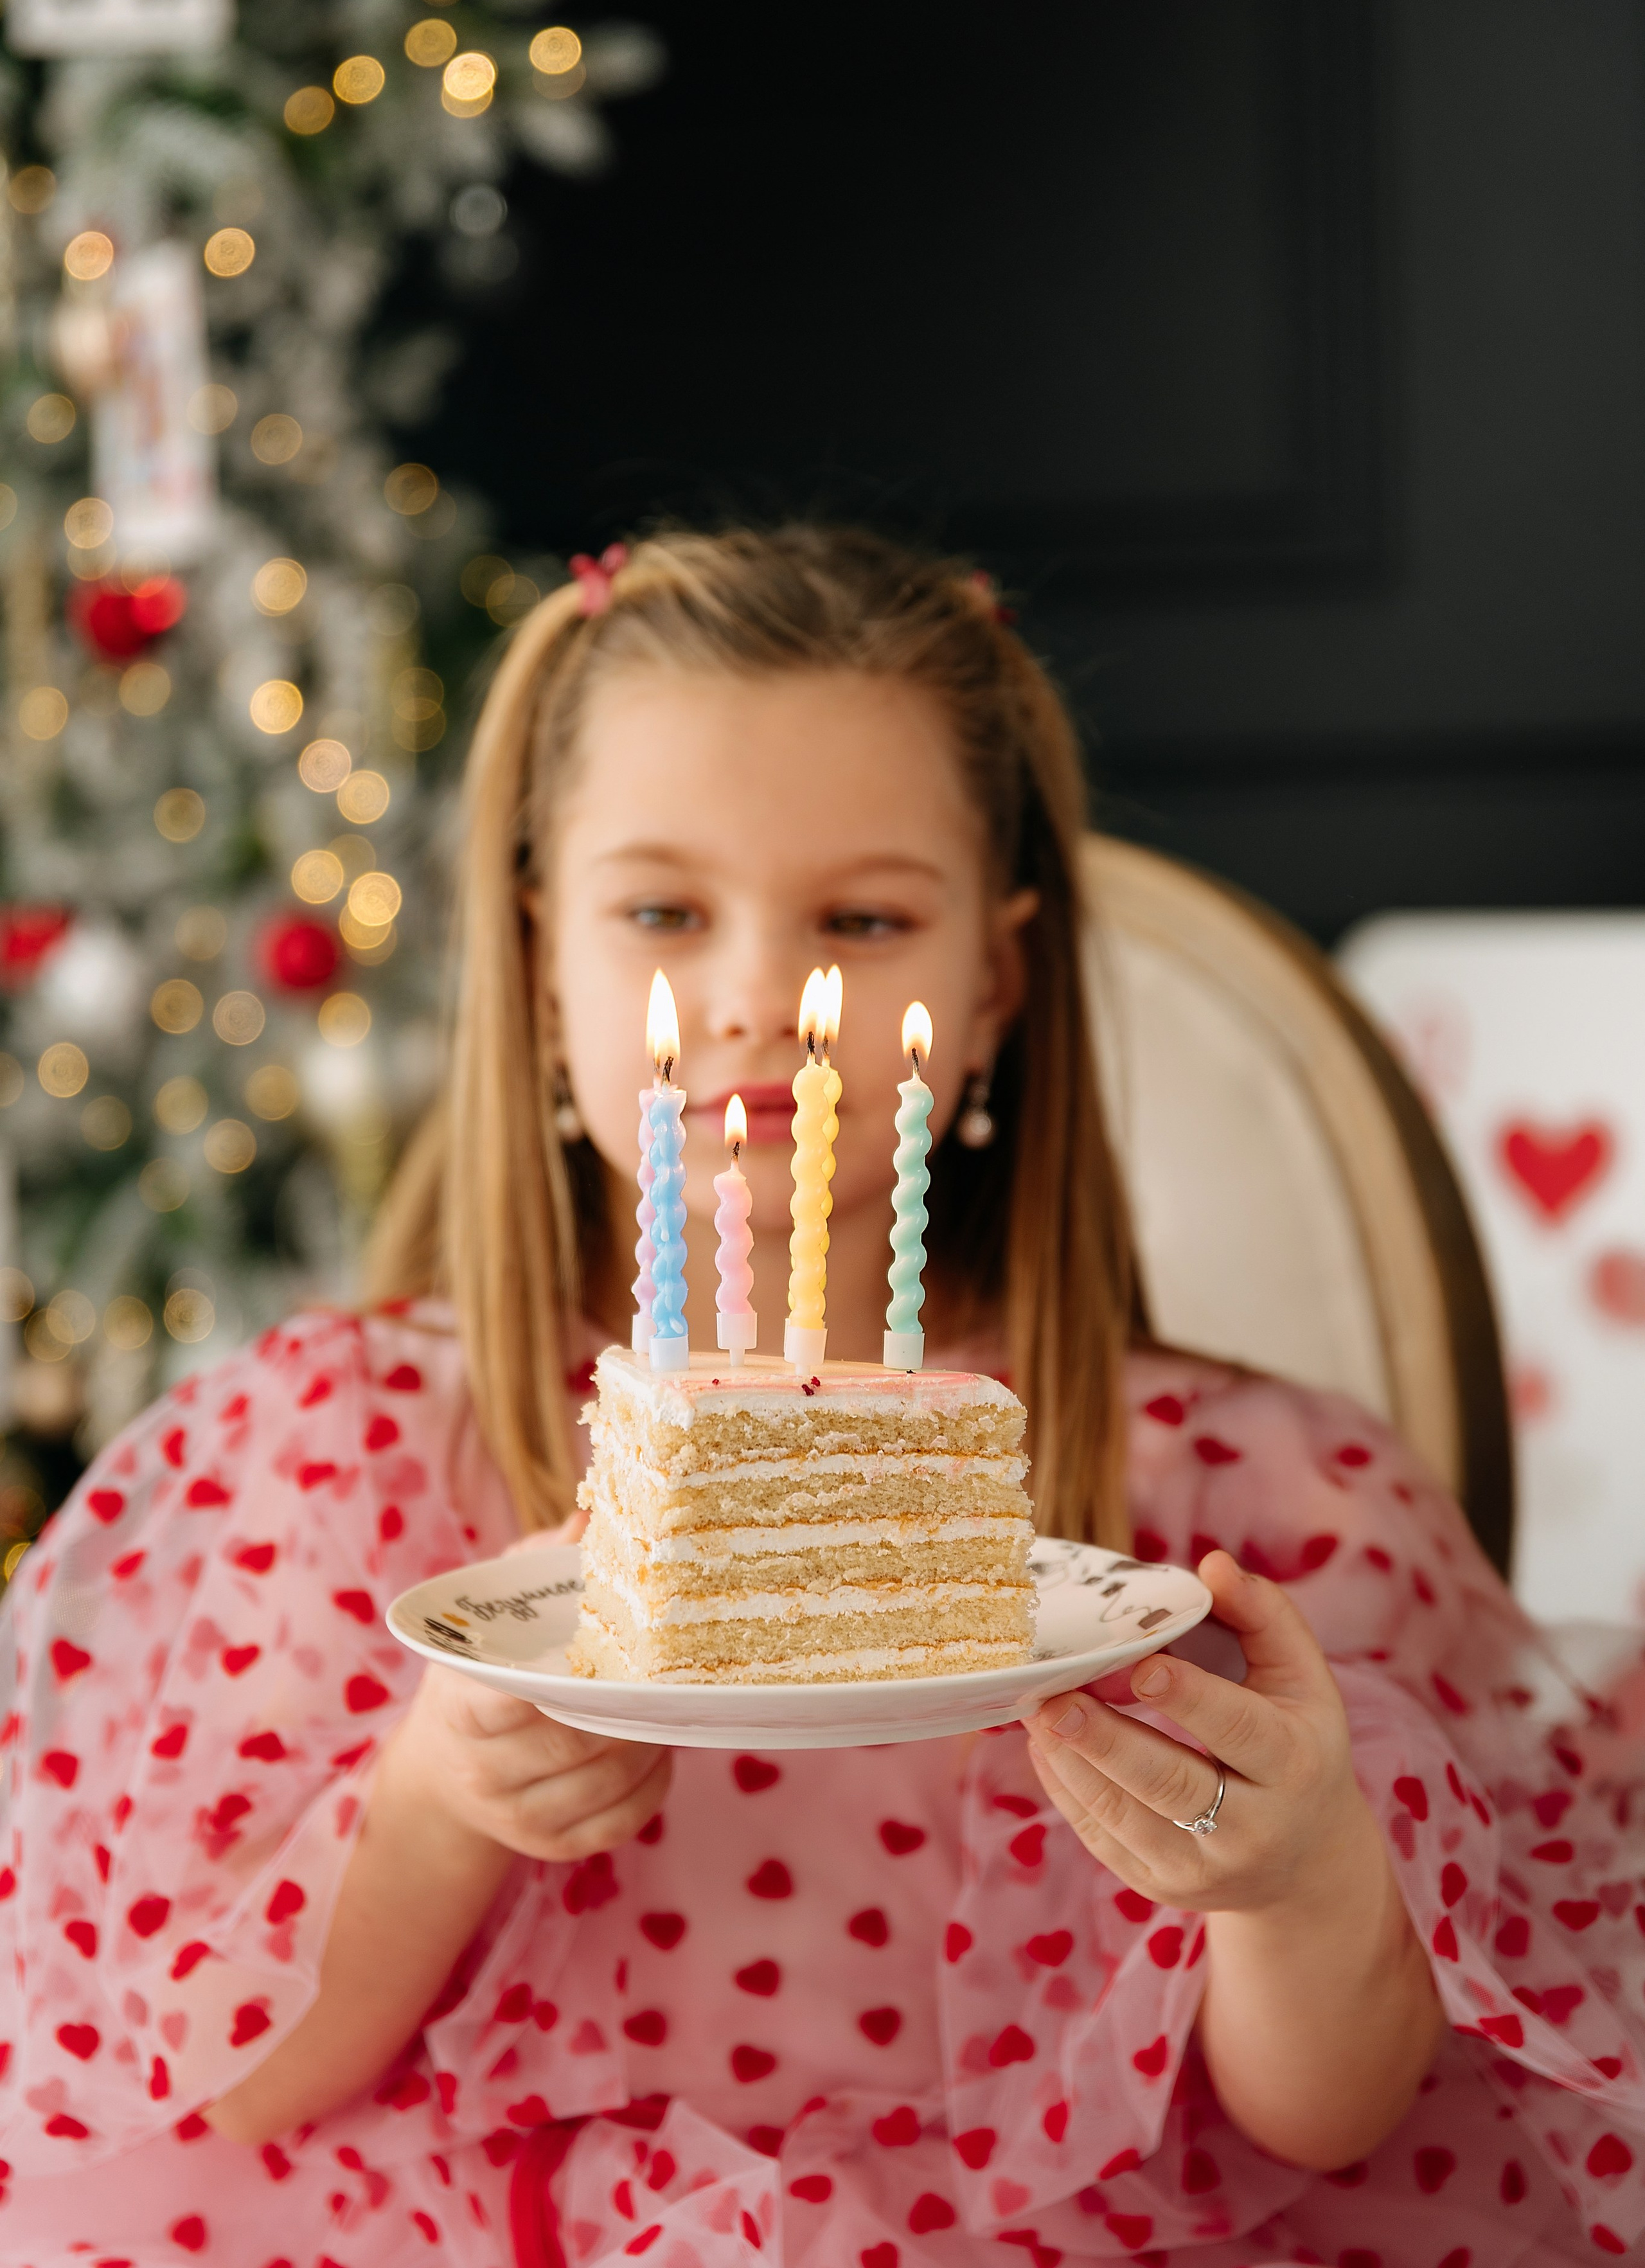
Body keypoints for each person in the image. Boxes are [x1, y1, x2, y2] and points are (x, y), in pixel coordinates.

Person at [1, 526, 1641, 2268]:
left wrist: (1297, 1877)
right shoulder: (350, 1452)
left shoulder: (1249, 1508)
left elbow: (1329, 2118)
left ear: (994, 982)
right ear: (542, 963)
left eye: (863, 920)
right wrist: (433, 1801)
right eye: (660, 914)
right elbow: (230, 2088)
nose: (762, 1001)